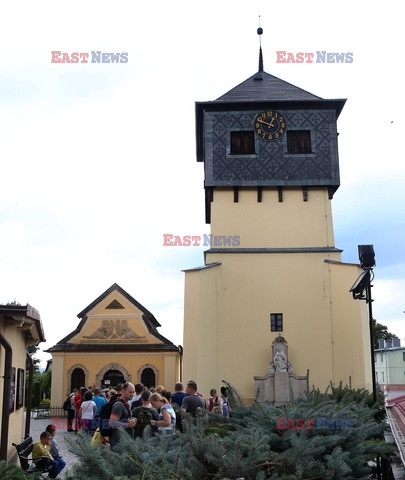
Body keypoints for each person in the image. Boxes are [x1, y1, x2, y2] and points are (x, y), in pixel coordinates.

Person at [109, 382, 136, 450]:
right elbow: (111, 423)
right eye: (130, 392)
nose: (132, 394)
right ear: (123, 391)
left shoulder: (125, 404)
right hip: (119, 444)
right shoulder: (119, 405)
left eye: (133, 392)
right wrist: (128, 425)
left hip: (124, 443)